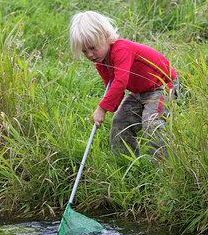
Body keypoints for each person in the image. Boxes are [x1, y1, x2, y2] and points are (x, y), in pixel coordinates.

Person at [70, 11, 178, 159]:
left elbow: (120, 82)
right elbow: (114, 90)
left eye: (93, 48)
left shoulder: (121, 49)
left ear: (106, 37)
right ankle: (126, 164)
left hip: (162, 86)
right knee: (120, 122)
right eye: (84, 51)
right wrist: (112, 108)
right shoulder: (101, 63)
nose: (89, 55)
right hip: (140, 91)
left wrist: (102, 108)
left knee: (152, 123)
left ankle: (166, 168)